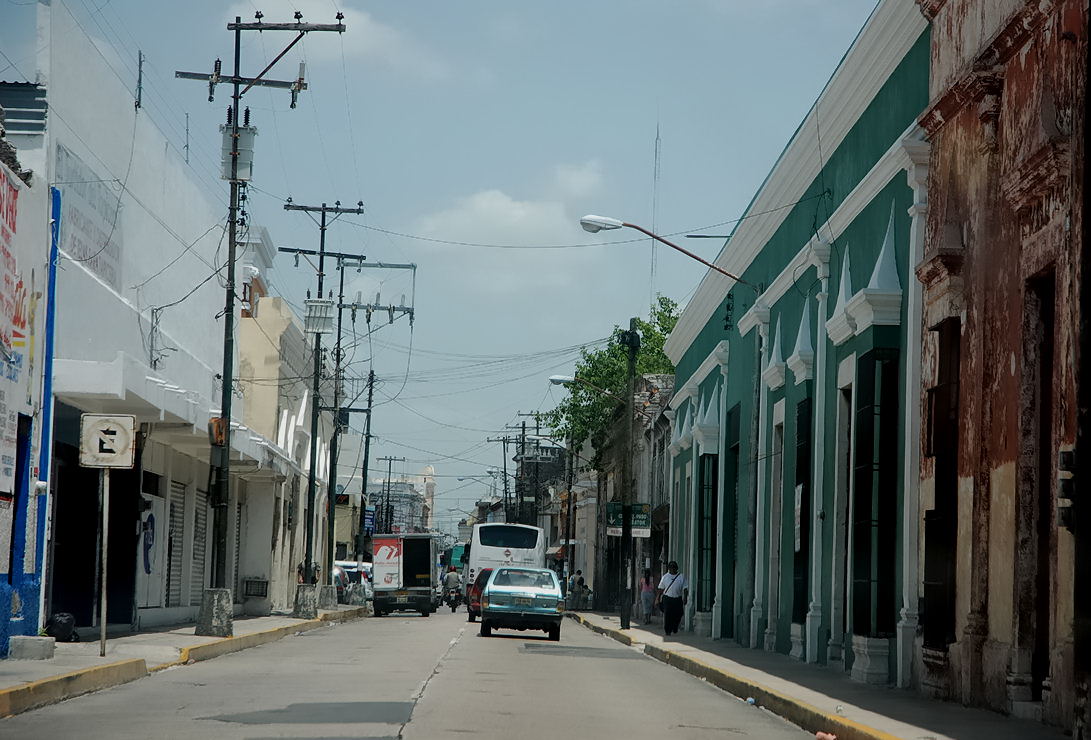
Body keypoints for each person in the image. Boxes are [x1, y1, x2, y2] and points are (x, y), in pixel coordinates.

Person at [654, 561, 689, 636]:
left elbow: (685, 588)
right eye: (671, 567)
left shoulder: (681, 576)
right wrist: (657, 598)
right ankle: (668, 630)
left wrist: (685, 597)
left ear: (676, 568)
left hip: (677, 598)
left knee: (679, 613)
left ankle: (675, 627)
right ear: (669, 568)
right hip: (667, 598)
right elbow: (660, 589)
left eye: (674, 567)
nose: (672, 569)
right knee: (668, 614)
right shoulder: (665, 577)